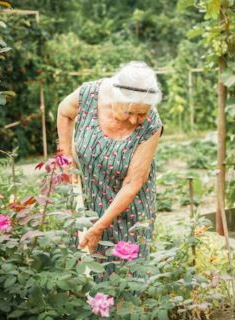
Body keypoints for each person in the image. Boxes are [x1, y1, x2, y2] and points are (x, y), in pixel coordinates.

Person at [56, 61, 163, 276]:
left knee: (126, 276)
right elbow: (64, 112)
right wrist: (66, 154)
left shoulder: (152, 125)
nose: (135, 120)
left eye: (141, 114)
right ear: (115, 97)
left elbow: (133, 182)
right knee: (83, 272)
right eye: (129, 112)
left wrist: (99, 228)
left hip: (128, 211)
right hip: (85, 200)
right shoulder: (88, 95)